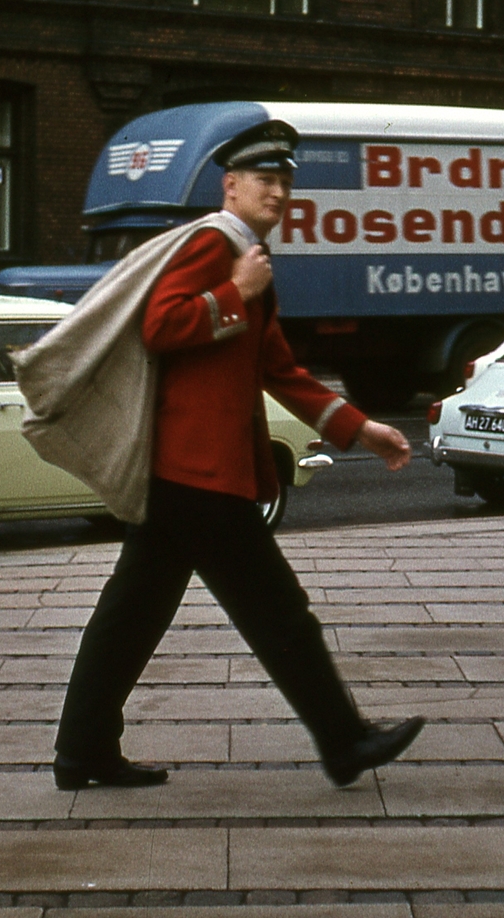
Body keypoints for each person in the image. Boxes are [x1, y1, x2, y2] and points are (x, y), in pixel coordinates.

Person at [53, 119, 424, 790]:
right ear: (231, 186)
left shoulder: (248, 253)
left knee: (131, 616)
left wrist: (359, 427)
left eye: (284, 181)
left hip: (187, 478)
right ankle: (343, 741)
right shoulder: (215, 245)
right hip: (198, 476)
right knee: (277, 611)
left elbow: (279, 369)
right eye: (265, 180)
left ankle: (83, 751)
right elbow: (160, 325)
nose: (278, 192)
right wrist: (236, 293)